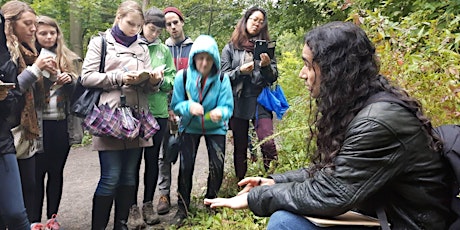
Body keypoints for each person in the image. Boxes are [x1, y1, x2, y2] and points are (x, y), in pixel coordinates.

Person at [205, 21, 451, 229]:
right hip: (384, 213)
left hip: (408, 223)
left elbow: (332, 192)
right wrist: (275, 182)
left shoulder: (377, 121)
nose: (302, 74)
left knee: (285, 223)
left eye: (308, 64)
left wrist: (257, 198)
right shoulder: (359, 103)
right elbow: (334, 170)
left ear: (335, 69)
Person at [80, 1, 163, 229]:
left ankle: (121, 224)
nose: (134, 29)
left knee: (129, 177)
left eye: (138, 25)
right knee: (110, 177)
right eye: (130, 24)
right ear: (118, 18)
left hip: (137, 118)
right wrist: (119, 78)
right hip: (110, 118)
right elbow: (86, 77)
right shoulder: (100, 43)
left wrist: (154, 80)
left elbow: (149, 86)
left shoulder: (143, 47)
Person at [2, 1, 59, 229]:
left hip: (27, 131)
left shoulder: (31, 51)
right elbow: (12, 92)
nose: (33, 29)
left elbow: (35, 93)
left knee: (29, 188)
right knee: (12, 205)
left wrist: (51, 75)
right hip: (9, 130)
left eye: (35, 23)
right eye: (28, 24)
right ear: (10, 25)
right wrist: (35, 70)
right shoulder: (6, 54)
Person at [170, 34, 233, 226]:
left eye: (208, 58)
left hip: (216, 128)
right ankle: (183, 208)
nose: (204, 63)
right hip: (190, 127)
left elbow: (228, 107)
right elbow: (176, 105)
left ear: (214, 59)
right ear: (194, 58)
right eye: (200, 58)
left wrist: (219, 112)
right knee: (185, 166)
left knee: (217, 166)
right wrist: (188, 107)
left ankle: (211, 203)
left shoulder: (223, 78)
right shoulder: (183, 76)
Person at [221, 6, 278, 181]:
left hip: (260, 100)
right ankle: (241, 184)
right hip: (239, 101)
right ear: (246, 20)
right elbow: (223, 76)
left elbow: (274, 77)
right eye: (254, 20)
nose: (257, 24)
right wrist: (240, 71)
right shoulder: (231, 48)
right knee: (240, 147)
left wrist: (266, 65)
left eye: (261, 22)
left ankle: (271, 181)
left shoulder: (266, 47)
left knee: (268, 142)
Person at [135, 6, 176, 225]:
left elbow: (171, 79)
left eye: (159, 31)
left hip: (158, 112)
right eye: (152, 29)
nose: (155, 34)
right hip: (135, 111)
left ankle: (148, 205)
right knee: (133, 163)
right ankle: (131, 207)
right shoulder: (132, 45)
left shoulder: (163, 50)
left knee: (153, 161)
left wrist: (159, 81)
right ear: (143, 25)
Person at [156, 6, 194, 215]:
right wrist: (169, 108)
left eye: (175, 22)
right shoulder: (162, 49)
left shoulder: (194, 48)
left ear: (182, 22)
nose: (172, 27)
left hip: (188, 108)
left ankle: (183, 193)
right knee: (165, 152)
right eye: (168, 24)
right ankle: (163, 194)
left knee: (186, 151)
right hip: (165, 108)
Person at [0, 7, 31, 230]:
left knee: (16, 214)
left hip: (2, 140)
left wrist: (6, 95)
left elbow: (13, 96)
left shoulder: (6, 57)